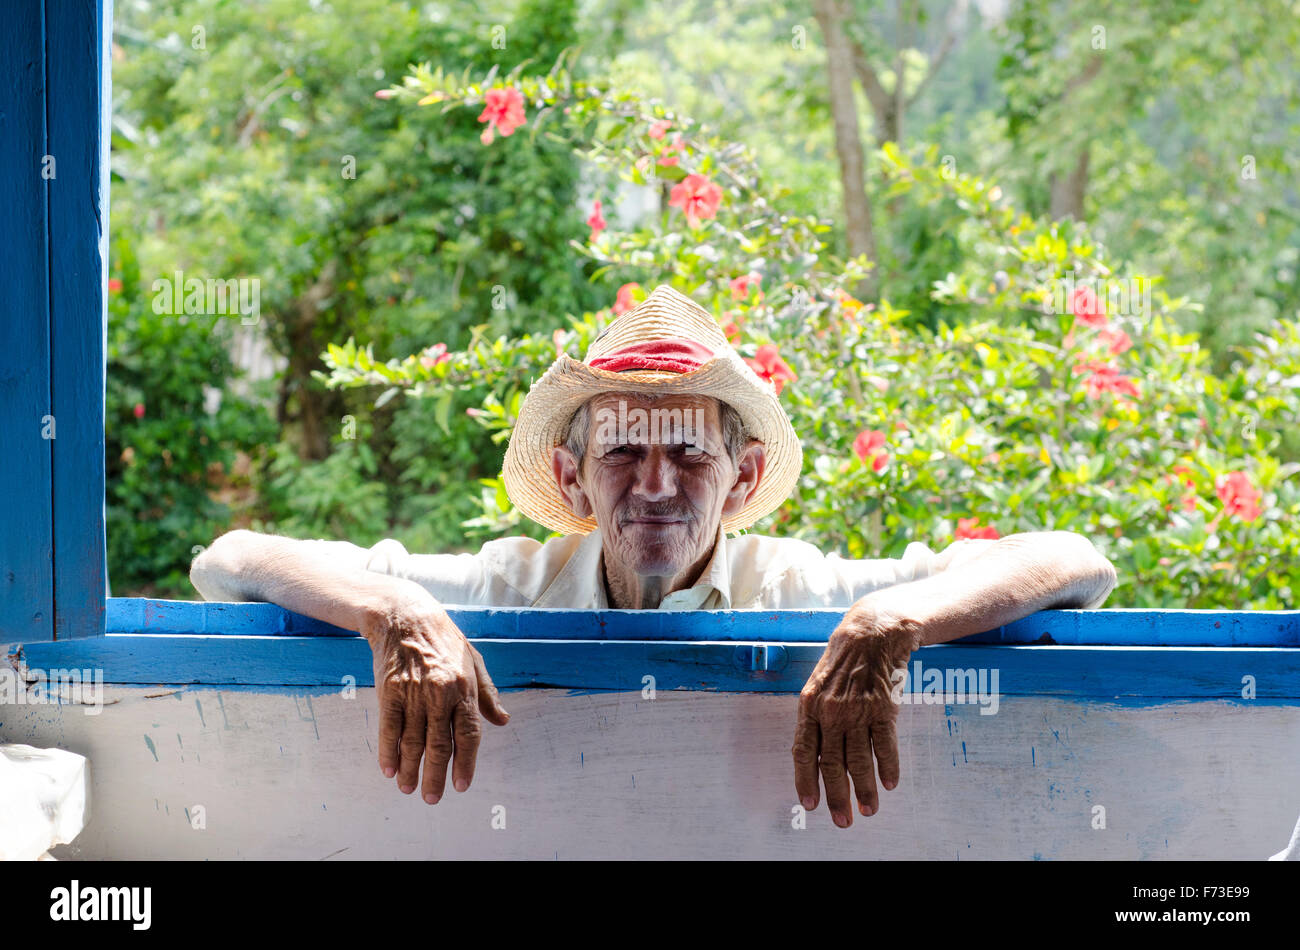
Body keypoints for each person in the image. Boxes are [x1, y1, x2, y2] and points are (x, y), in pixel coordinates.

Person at [191, 284, 1117, 828]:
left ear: (743, 477)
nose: (658, 486)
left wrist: (890, 622)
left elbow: (1075, 561)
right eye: (624, 452)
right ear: (574, 473)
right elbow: (231, 559)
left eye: (689, 454)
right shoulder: (511, 584)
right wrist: (391, 613)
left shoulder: (799, 588)